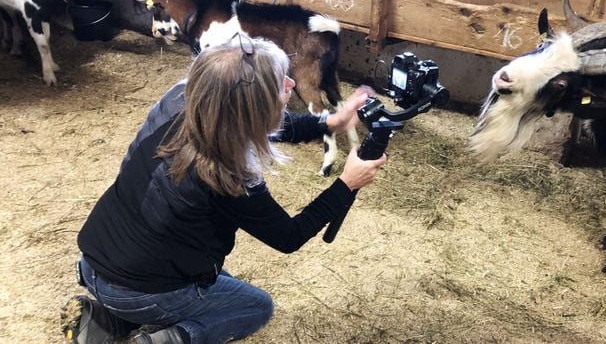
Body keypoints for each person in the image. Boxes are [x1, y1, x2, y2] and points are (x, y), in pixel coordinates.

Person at [62, 35, 387, 344]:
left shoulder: (186, 97)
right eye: (281, 84)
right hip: (142, 289)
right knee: (256, 305)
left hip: (96, 264)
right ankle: (174, 337)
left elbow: (258, 119)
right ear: (253, 107)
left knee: (222, 279)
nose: (291, 85)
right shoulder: (226, 171)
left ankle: (106, 319)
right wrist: (347, 184)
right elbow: (289, 237)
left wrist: (330, 121)